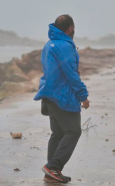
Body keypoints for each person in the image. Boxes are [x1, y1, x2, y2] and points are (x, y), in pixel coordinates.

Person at [34, 14, 90, 184]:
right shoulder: (65, 46)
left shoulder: (49, 44)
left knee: (58, 133)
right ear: (71, 28)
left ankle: (51, 171)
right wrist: (83, 96)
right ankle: (53, 167)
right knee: (74, 131)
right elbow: (71, 74)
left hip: (49, 94)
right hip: (62, 96)